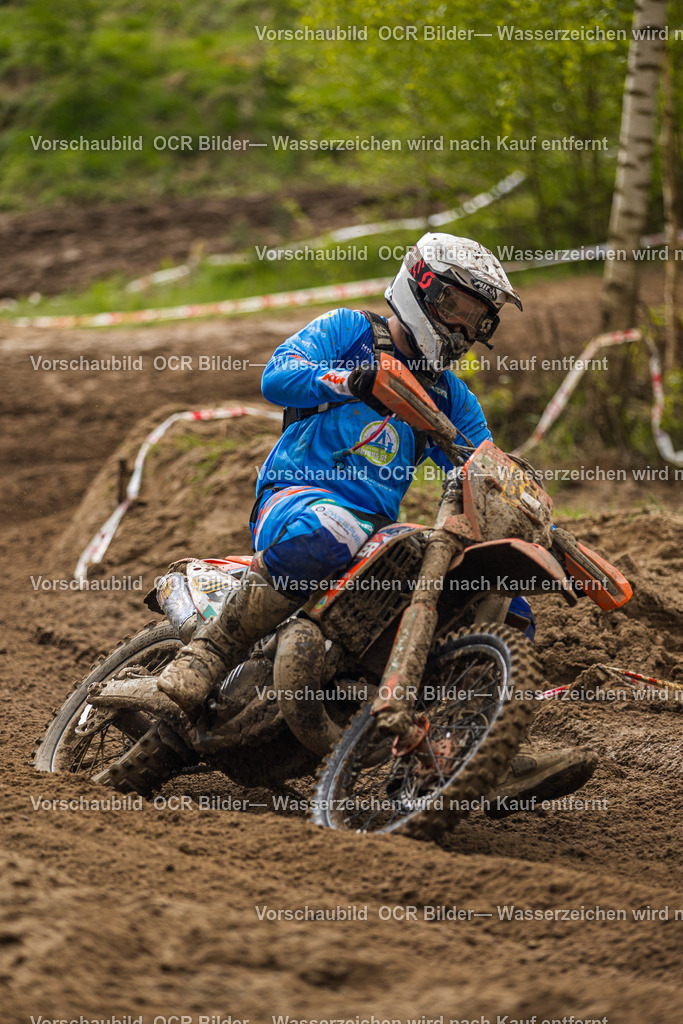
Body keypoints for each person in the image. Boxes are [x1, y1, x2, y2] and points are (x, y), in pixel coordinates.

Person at [97, 233, 597, 807]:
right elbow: (277, 376)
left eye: (478, 319)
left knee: (507, 602)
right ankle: (203, 657)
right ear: (422, 288)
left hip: (373, 529)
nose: (463, 328)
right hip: (297, 497)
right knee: (333, 528)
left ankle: (473, 751)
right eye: (457, 309)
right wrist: (348, 380)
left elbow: (486, 466)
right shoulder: (350, 331)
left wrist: (535, 518)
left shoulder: (454, 397)